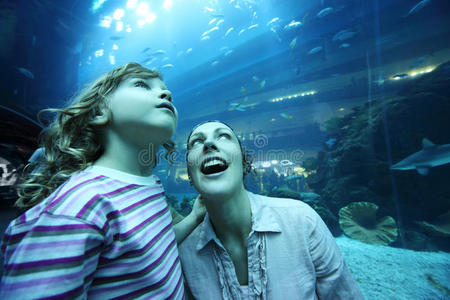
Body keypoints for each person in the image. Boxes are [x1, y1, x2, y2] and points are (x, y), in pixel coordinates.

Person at [0, 63, 205, 299]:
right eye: (141, 85)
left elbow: (155, 246)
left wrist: (194, 217)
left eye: (166, 90)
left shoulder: (149, 186)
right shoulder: (76, 209)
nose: (166, 93)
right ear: (99, 112)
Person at [179, 120, 364, 299]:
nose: (209, 143)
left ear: (244, 163)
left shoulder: (301, 220)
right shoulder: (183, 252)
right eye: (197, 141)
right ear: (190, 175)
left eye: (224, 136)